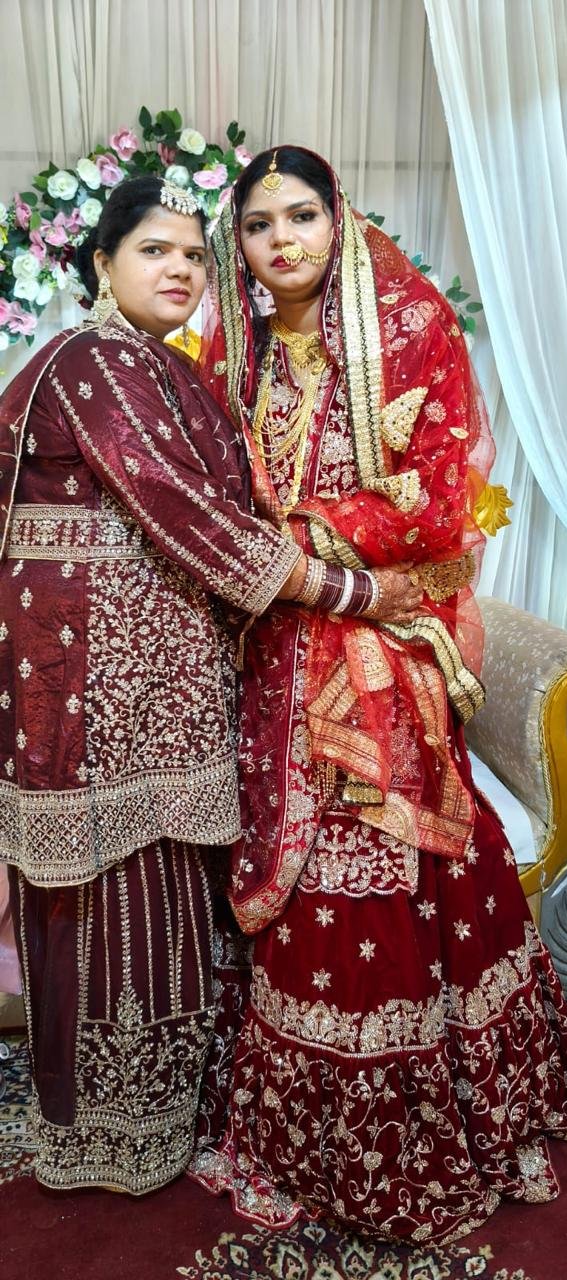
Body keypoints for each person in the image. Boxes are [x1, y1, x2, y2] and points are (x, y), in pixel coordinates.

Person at [189, 147, 567, 1245]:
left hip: (376, 649)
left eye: (301, 215)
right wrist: (261, 553)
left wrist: (298, 536)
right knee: (286, 865)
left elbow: (440, 491)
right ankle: (299, 1129)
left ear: (336, 218)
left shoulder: (408, 327)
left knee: (384, 861)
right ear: (240, 245)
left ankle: (431, 1123)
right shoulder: (234, 350)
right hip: (272, 645)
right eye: (259, 224)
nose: (282, 240)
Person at [0, 173, 411, 1195]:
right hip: (89, 682)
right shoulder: (93, 360)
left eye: (193, 254)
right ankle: (104, 1128)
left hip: (153, 681)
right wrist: (352, 590)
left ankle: (154, 1114)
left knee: (164, 890)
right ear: (101, 264)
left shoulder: (165, 368)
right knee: (106, 892)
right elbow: (184, 511)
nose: (179, 268)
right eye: (154, 250)